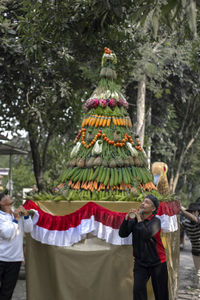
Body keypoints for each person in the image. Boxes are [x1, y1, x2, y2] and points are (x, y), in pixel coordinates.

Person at [119, 194, 169, 300]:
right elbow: (122, 234)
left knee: (161, 294)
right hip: (140, 263)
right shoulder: (135, 220)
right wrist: (127, 218)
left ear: (153, 209)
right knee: (138, 292)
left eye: (147, 202)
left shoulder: (156, 221)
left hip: (157, 263)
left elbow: (145, 234)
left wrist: (138, 218)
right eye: (143, 201)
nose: (142, 203)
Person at [0, 189, 33, 300]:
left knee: (7, 292)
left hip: (15, 260)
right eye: (5, 196)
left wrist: (26, 215)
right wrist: (16, 219)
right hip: (1, 258)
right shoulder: (1, 217)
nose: (9, 196)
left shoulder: (16, 213)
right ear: (1, 203)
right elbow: (8, 234)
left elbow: (29, 229)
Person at [180, 202, 200, 288]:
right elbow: (178, 227)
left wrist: (181, 209)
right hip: (195, 251)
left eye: (194, 211)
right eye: (191, 211)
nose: (192, 213)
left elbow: (194, 219)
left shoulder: (199, 219)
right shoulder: (185, 222)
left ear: (197, 212)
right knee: (199, 272)